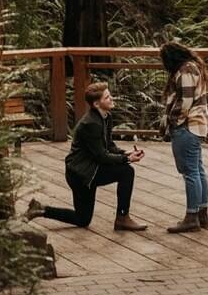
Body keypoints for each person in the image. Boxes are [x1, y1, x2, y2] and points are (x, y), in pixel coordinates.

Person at [26, 81, 148, 231]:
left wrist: (125, 153)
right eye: (107, 97)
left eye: (110, 95)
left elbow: (108, 145)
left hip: (89, 169)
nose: (112, 99)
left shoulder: (106, 116)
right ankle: (122, 218)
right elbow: (102, 156)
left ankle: (40, 209)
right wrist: (127, 159)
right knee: (126, 171)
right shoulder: (91, 123)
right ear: (96, 104)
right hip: (80, 174)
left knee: (82, 219)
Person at [160, 42, 208, 233]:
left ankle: (192, 217)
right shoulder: (193, 67)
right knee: (197, 169)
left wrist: (173, 123)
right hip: (196, 124)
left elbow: (185, 101)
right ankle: (201, 214)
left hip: (188, 125)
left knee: (190, 172)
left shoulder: (186, 70)